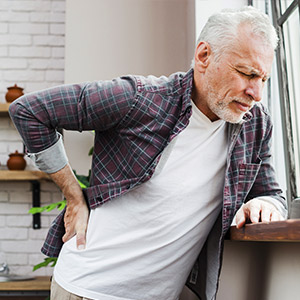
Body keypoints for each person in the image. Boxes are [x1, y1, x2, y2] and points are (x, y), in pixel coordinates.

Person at [9, 6, 287, 300]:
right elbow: (29, 111)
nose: (256, 93)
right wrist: (73, 195)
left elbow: (271, 193)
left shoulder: (254, 124)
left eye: (264, 79)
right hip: (86, 290)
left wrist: (266, 204)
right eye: (247, 73)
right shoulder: (140, 97)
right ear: (204, 56)